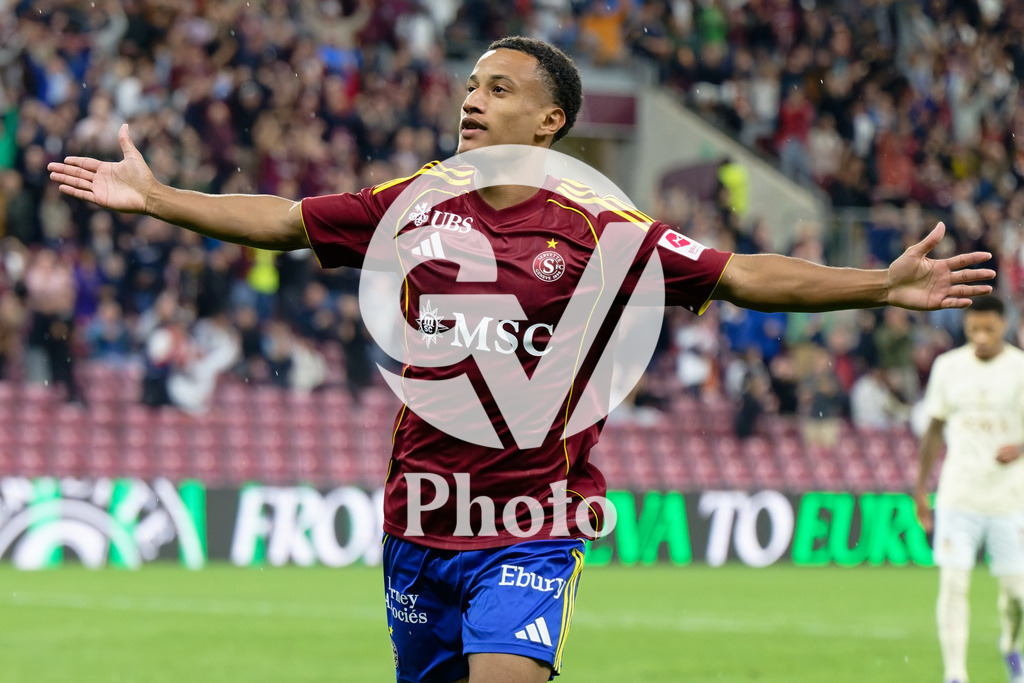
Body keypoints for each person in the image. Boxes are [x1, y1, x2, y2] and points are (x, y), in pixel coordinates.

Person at [50, 36, 995, 683]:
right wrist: (161, 197)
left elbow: (744, 275)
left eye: (499, 88)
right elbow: (288, 221)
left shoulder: (601, 227)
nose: (472, 98)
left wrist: (880, 284)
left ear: (550, 124)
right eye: (471, 84)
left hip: (529, 523)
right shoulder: (422, 197)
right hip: (419, 517)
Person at [914, 294, 1024, 683]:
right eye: (975, 326)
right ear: (966, 326)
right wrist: (919, 490)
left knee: (1016, 594)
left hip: (1009, 498)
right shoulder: (948, 367)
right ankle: (955, 675)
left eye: (989, 327)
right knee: (953, 582)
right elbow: (933, 429)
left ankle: (1010, 645)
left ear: (1003, 325)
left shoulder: (1020, 369)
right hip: (958, 493)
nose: (981, 334)